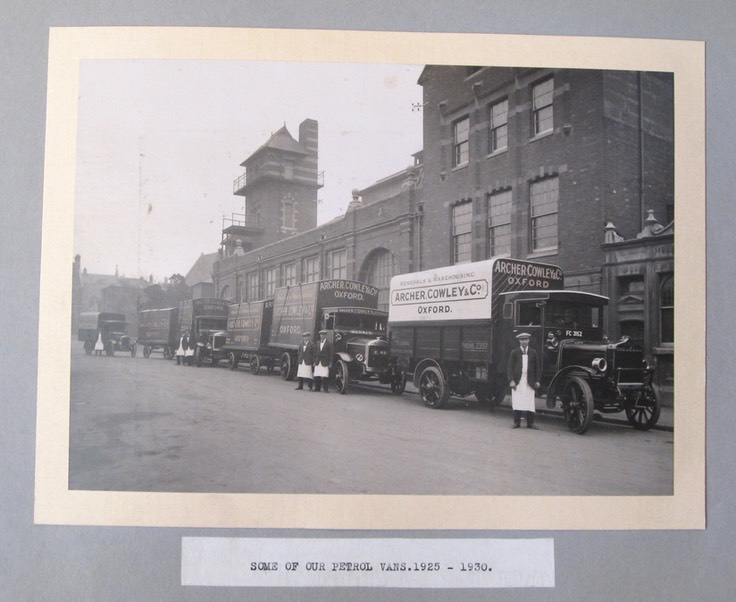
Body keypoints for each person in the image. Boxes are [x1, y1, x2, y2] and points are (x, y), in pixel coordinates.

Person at [507, 332, 541, 429]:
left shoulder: (533, 352)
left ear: (529, 340)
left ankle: (530, 423)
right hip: (518, 381)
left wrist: (537, 381)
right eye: (522, 340)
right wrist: (511, 380)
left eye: (526, 339)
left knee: (530, 402)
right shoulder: (514, 352)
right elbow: (510, 368)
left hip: (529, 381)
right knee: (517, 401)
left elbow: (537, 368)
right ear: (519, 341)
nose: (524, 341)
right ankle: (516, 423)